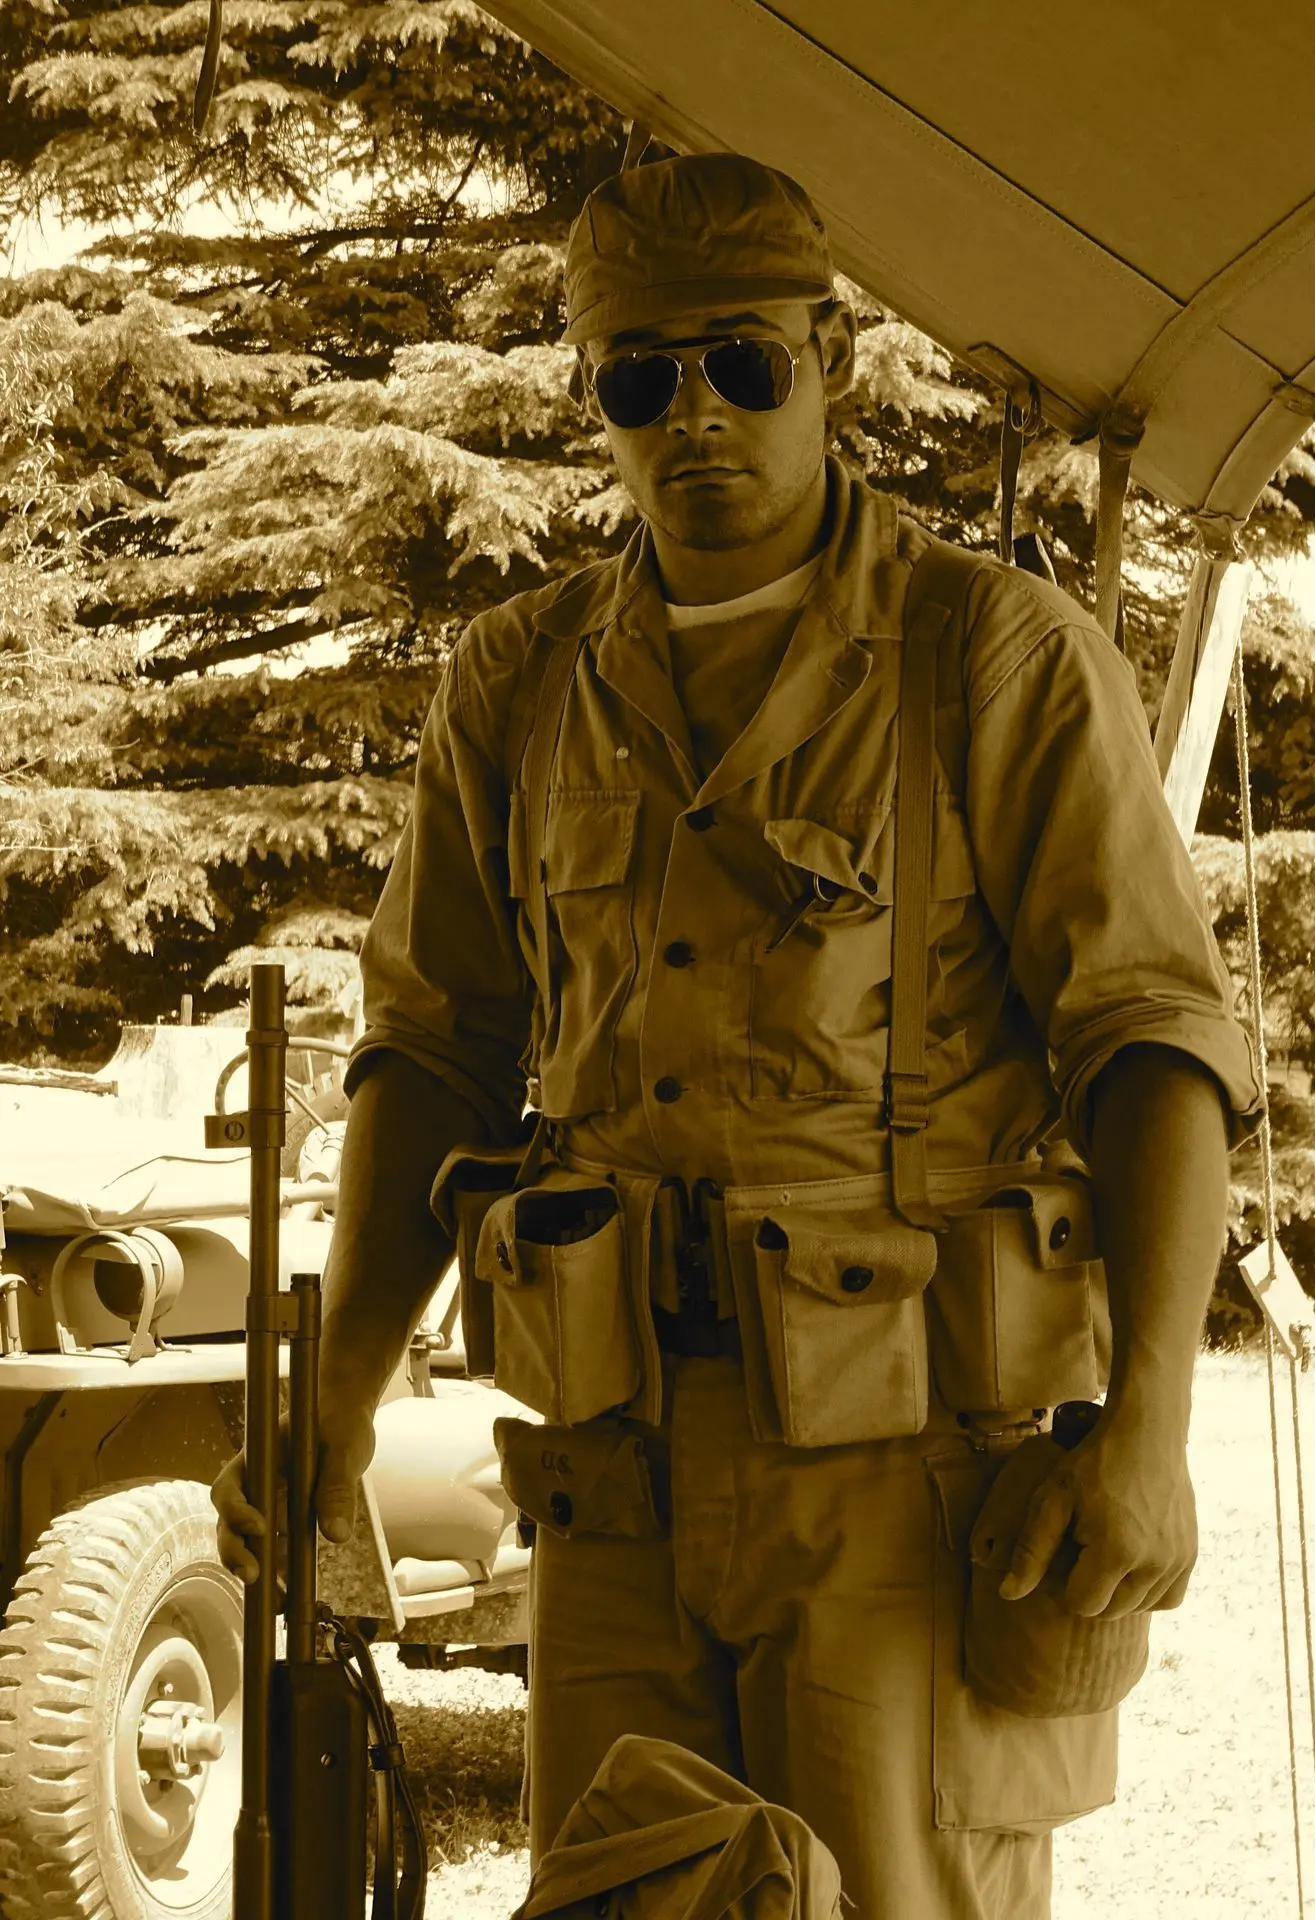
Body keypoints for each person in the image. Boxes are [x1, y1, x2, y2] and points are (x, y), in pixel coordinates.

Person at [213, 151, 1261, 1920]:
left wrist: (1148, 1426)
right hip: (608, 1476)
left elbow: (1152, 1042)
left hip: (902, 1484)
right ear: (594, 397)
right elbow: (438, 1048)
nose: (693, 414)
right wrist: (340, 1388)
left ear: (829, 361)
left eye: (743, 364)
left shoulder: (990, 656)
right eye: (641, 378)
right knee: (619, 1894)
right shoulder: (522, 679)